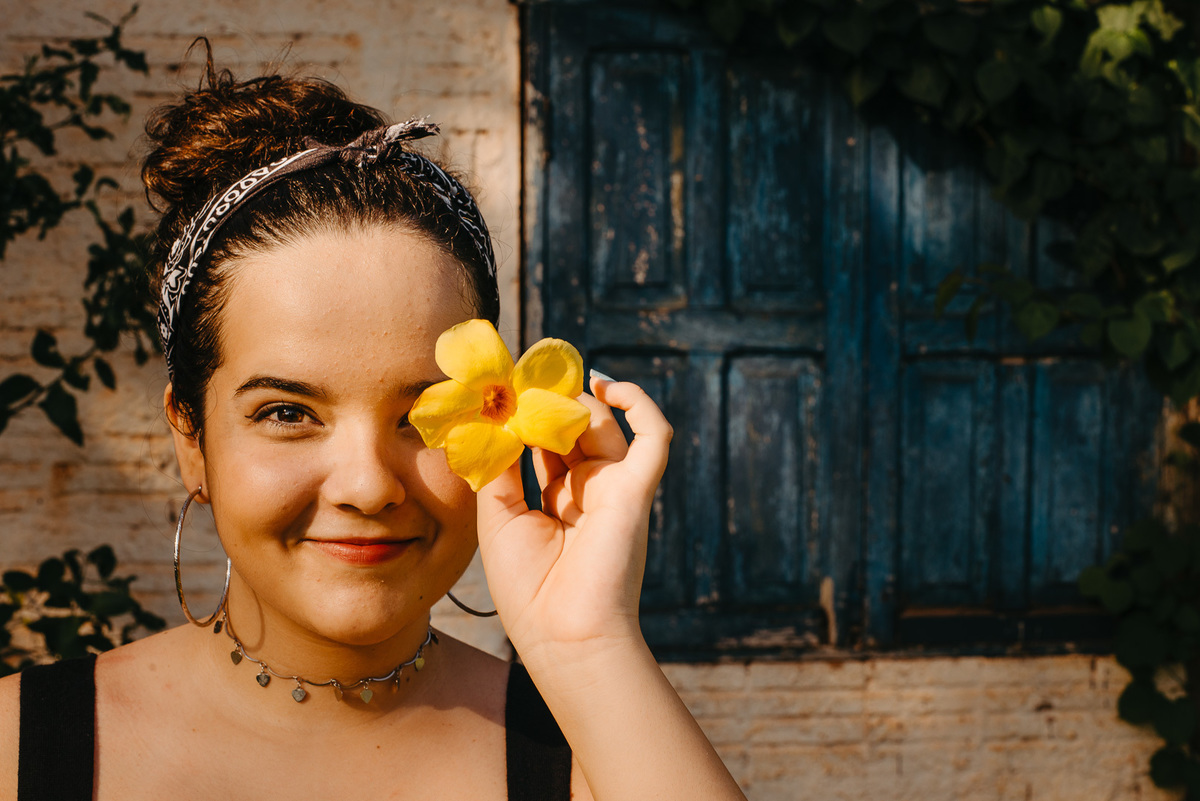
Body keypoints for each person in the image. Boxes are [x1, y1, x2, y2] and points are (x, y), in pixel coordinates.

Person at [0, 54, 748, 801]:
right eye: (288, 412)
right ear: (189, 436)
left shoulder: (596, 757)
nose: (367, 484)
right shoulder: (18, 746)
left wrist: (588, 644)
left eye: (422, 415)